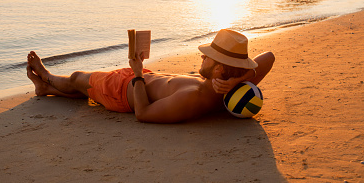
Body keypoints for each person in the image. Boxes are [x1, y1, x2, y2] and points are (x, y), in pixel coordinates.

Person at [26, 29, 274, 123]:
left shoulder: (194, 96)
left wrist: (136, 74)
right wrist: (238, 79)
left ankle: (47, 76)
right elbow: (270, 56)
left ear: (219, 68)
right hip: (142, 78)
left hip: (124, 89)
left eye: (207, 57)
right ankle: (45, 90)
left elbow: (142, 114)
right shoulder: (231, 87)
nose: (202, 58)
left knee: (78, 79)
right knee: (84, 91)